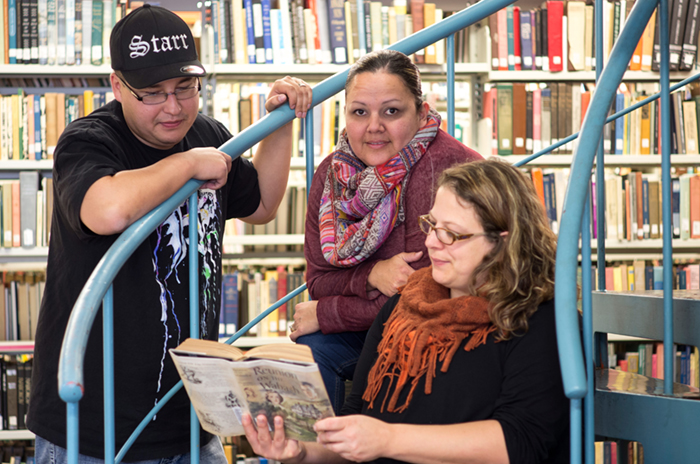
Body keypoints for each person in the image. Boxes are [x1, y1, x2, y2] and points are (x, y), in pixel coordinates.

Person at [26, 5, 312, 464]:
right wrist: (189, 164)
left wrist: (279, 123)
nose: (174, 107)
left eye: (185, 88)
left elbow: (260, 205)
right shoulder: (89, 139)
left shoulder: (208, 133)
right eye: (153, 94)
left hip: (191, 417)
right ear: (118, 86)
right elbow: (108, 210)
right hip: (96, 424)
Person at [244, 159, 570, 464]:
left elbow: (521, 440)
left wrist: (387, 439)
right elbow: (357, 420)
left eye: (451, 233)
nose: (431, 243)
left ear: (502, 243)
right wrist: (300, 452)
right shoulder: (406, 304)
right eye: (432, 225)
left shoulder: (539, 318)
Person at [290, 49, 482, 413]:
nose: (374, 126)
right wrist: (372, 275)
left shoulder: (454, 171)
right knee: (312, 352)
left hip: (449, 328)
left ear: (422, 112)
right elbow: (319, 280)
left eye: (391, 111)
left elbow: (425, 297)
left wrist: (327, 313)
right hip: (373, 327)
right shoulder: (331, 175)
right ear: (344, 116)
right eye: (359, 112)